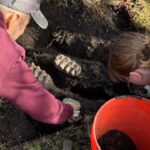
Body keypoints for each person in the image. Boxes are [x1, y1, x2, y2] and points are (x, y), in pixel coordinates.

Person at [0, 0, 79, 124]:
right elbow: (45, 109)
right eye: (25, 25)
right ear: (13, 19)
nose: (22, 32)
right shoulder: (5, 54)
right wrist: (68, 110)